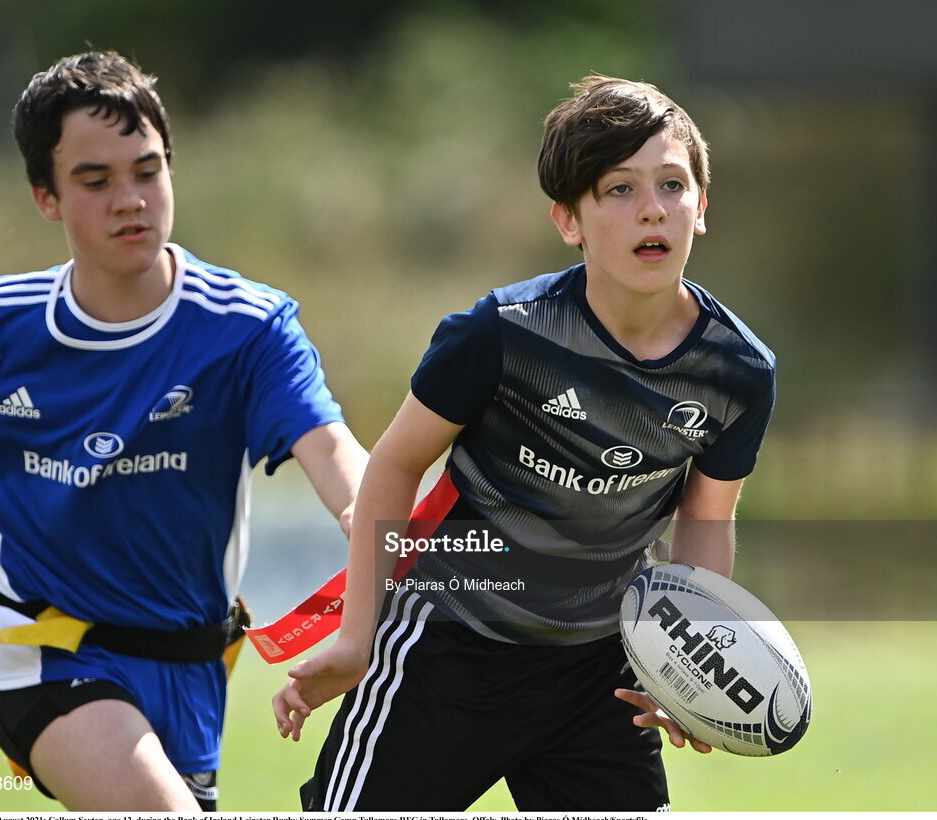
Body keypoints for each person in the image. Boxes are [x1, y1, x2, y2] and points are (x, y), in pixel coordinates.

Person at [271, 74, 776, 811]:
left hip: (600, 671)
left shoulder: (737, 370)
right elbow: (396, 464)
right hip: (447, 652)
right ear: (568, 220)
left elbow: (705, 521)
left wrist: (682, 667)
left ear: (701, 209)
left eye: (672, 184)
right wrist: (357, 636)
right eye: (619, 190)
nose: (653, 209)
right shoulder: (503, 333)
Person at [0, 51, 368, 811]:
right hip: (40, 646)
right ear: (45, 196)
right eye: (96, 181)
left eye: (148, 171)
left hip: (191, 665)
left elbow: (335, 453)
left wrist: (373, 526)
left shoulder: (248, 328)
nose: (131, 199)